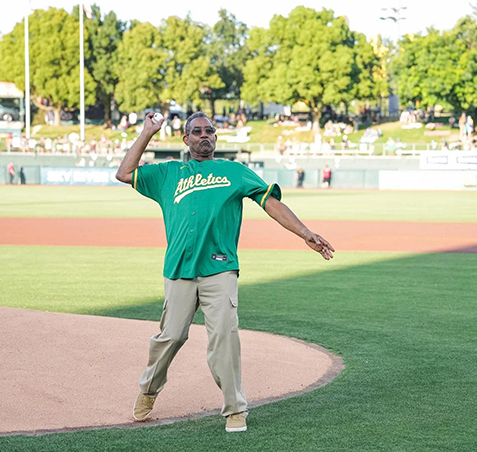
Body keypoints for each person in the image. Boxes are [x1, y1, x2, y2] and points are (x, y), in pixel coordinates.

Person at [115, 112, 334, 433]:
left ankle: (235, 409)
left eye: (210, 131)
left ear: (215, 138)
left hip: (220, 269)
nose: (205, 136)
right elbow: (124, 173)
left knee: (225, 338)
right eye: (197, 132)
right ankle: (148, 389)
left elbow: (270, 203)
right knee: (171, 336)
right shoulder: (167, 174)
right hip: (178, 269)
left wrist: (304, 232)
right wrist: (148, 131)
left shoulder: (234, 172)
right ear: (185, 139)